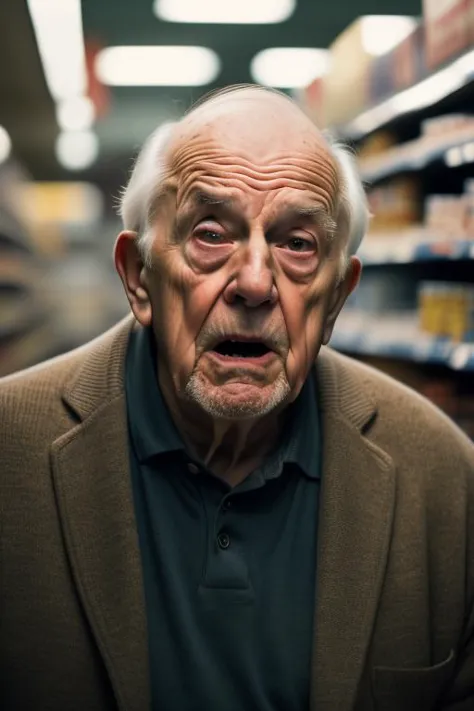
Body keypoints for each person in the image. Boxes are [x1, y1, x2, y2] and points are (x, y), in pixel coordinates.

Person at [1, 85, 473, 711]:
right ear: (139, 276)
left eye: (298, 244)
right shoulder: (11, 454)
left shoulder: (441, 477)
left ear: (336, 298)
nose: (254, 283)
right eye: (210, 234)